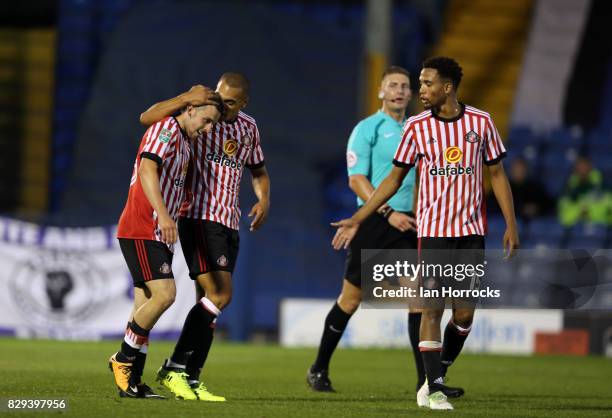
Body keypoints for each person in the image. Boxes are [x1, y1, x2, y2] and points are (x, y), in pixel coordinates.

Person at [330, 57, 519, 410]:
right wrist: (359, 217)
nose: (421, 90)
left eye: (427, 83)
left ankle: (439, 372)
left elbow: (496, 175)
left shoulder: (481, 122)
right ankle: (431, 388)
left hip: (471, 233)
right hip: (432, 232)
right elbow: (393, 180)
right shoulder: (416, 127)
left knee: (463, 316)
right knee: (431, 309)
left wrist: (511, 223)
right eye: (420, 83)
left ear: (447, 87)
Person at [138, 73, 270, 401]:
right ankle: (174, 367)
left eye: (229, 102)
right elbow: (147, 118)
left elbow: (259, 171)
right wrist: (185, 98)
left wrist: (264, 198)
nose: (221, 107)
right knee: (221, 294)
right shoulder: (201, 113)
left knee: (209, 305)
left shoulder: (248, 128)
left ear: (243, 103)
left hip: (229, 221)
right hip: (198, 216)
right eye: (219, 98)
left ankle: (192, 378)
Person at [306, 66, 428, 393]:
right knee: (351, 299)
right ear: (381, 91)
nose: (400, 91)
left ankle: (426, 382)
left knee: (418, 298)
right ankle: (318, 368)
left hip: (411, 223)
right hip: (375, 221)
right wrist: (387, 212)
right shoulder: (367, 129)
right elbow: (356, 179)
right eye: (393, 85)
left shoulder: (420, 130)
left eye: (405, 86)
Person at [109, 99, 223, 399]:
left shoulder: (184, 141)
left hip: (156, 231)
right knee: (166, 295)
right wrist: (162, 212)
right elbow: (147, 168)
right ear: (190, 110)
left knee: (143, 306)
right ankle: (122, 358)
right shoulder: (168, 129)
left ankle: (132, 383)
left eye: (214, 124)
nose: (208, 127)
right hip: (143, 225)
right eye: (206, 120)